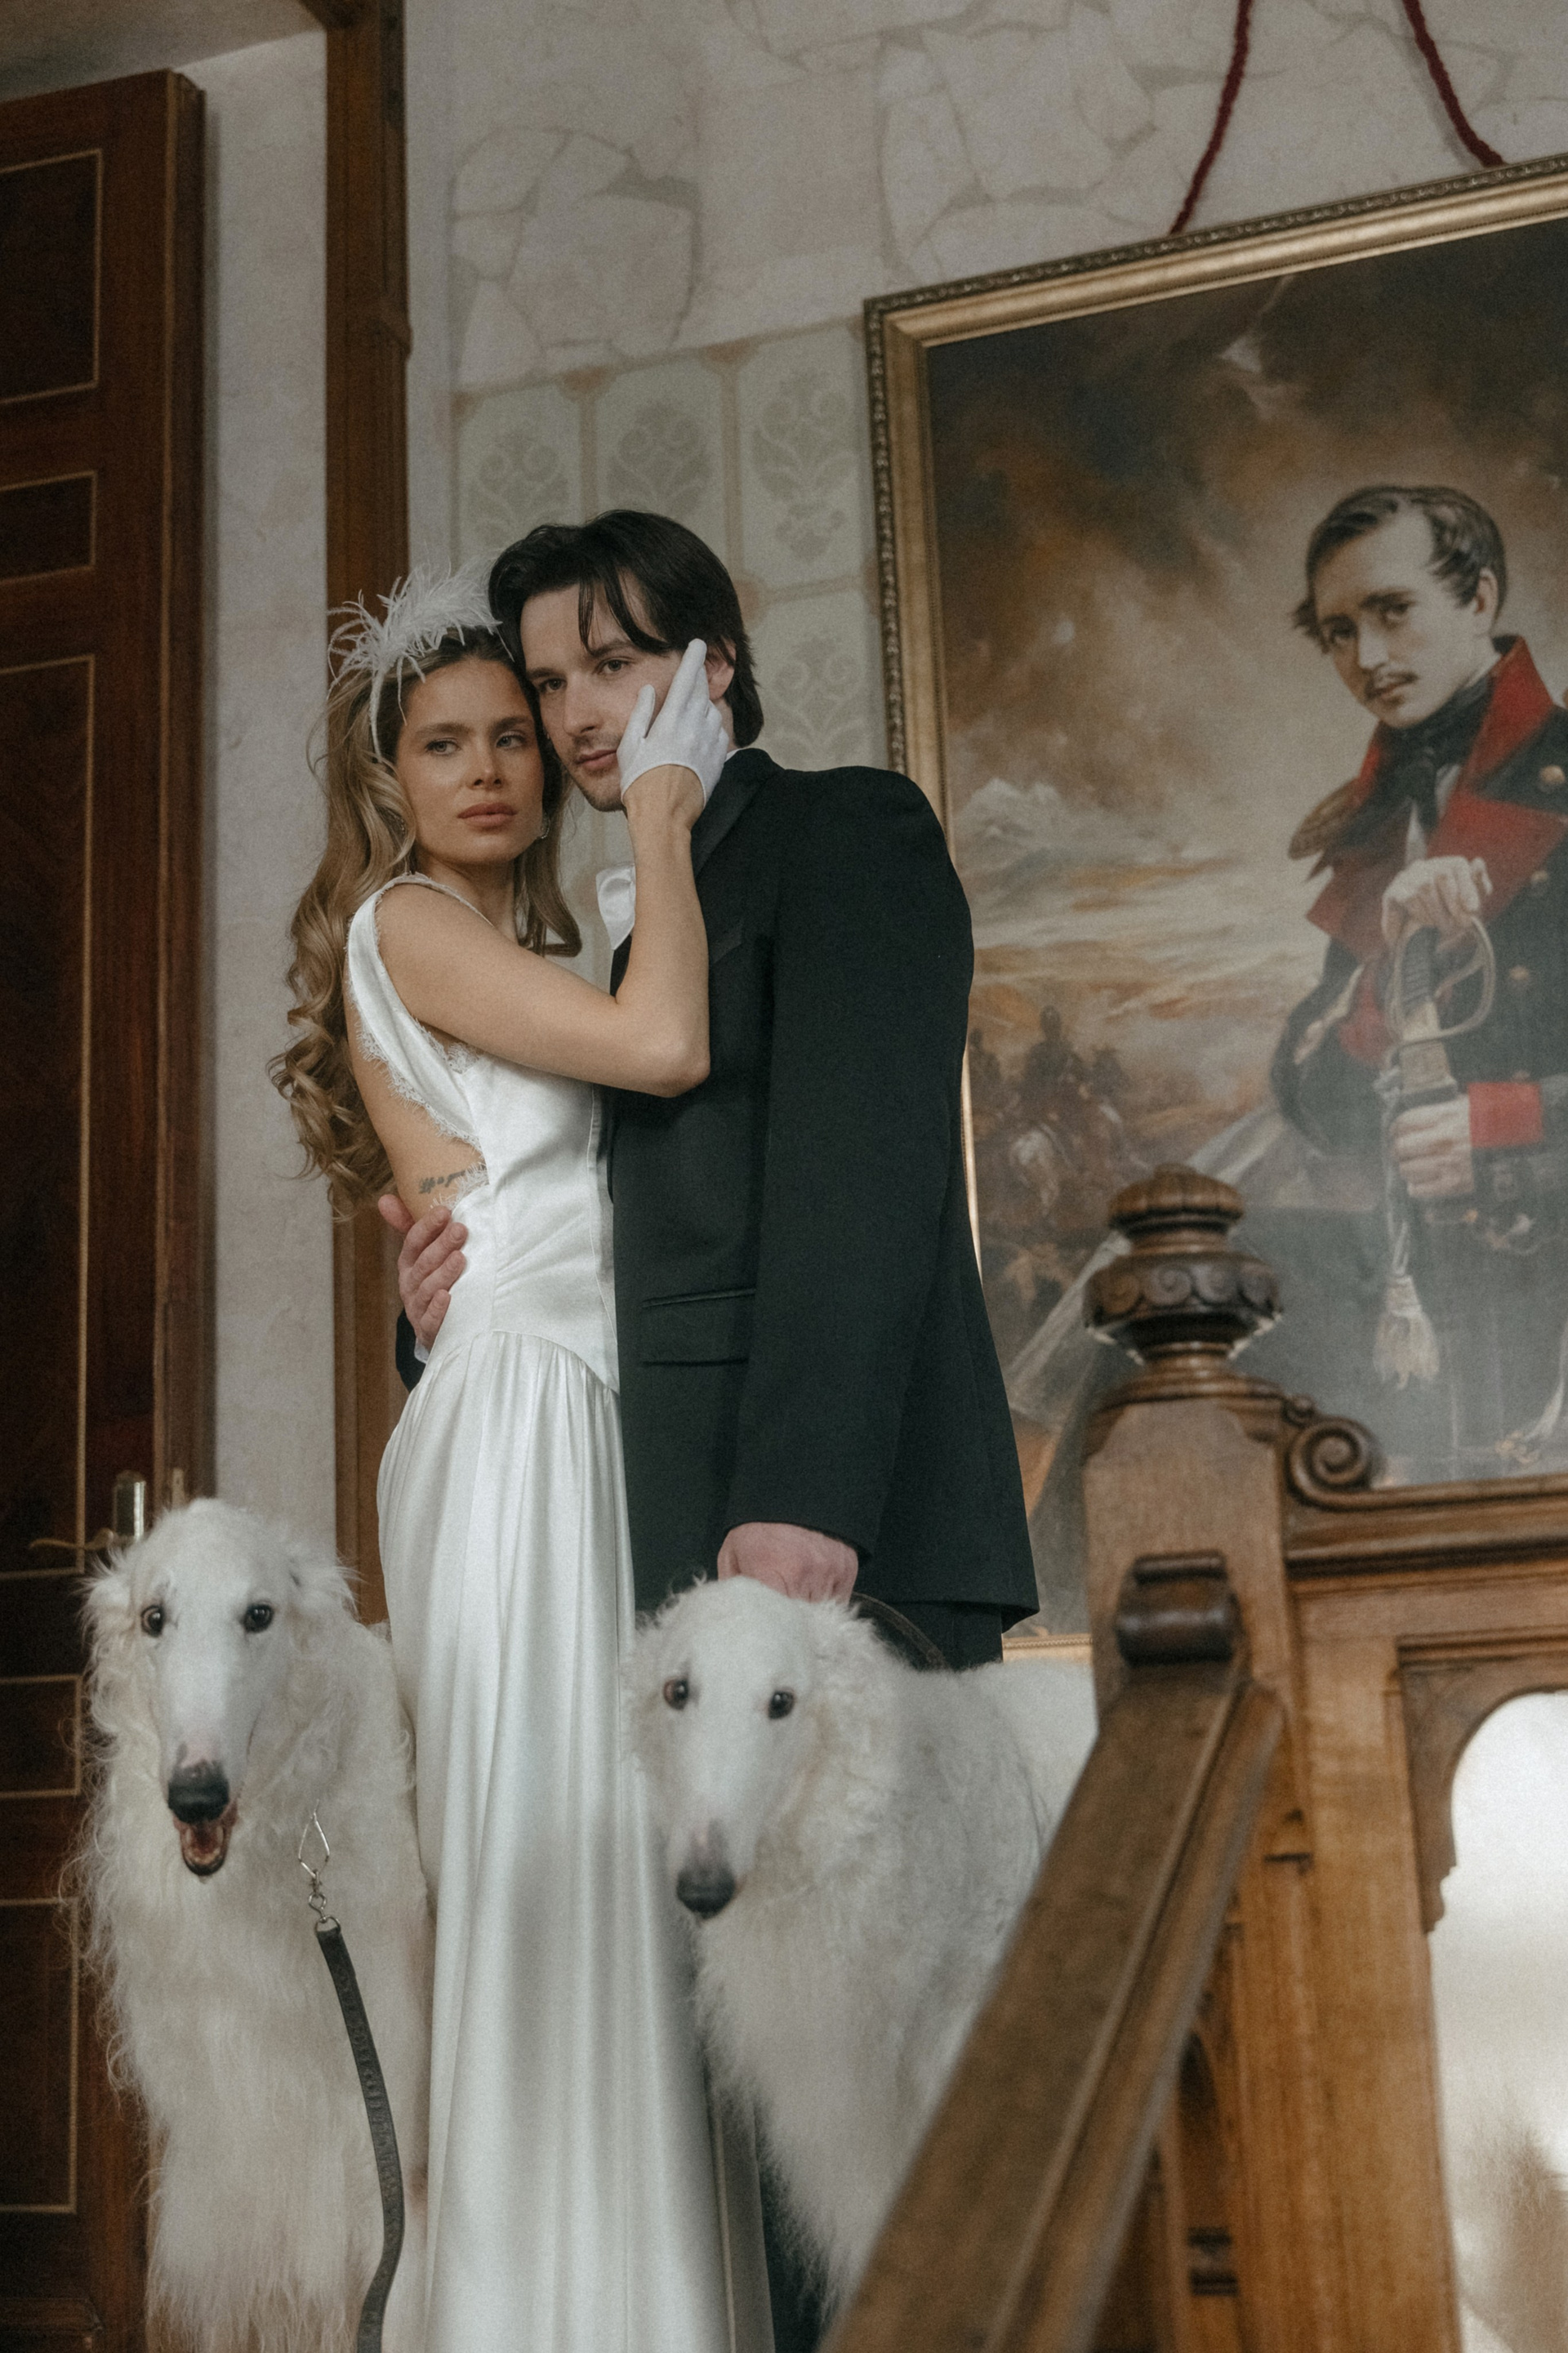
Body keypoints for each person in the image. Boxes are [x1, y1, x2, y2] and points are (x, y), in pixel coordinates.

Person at [390, 510, 1039, 2347]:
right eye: (550, 683)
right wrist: (436, 1319)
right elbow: (566, 1237)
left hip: (822, 1537)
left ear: (715, 663)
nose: (578, 715)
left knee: (876, 2089)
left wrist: (800, 1506)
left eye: (613, 663)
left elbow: (863, 1176)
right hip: (664, 1546)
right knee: (755, 2102)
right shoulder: (618, 921)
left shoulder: (845, 834)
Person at [272, 567, 767, 2351]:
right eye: (443, 745)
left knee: (626, 1863)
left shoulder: (520, 950)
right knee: (553, 1860)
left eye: (510, 737)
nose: (488, 769)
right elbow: (665, 1047)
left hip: (565, 1402)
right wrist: (664, 807)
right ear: (388, 779)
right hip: (524, 1428)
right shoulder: (406, 921)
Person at [1273, 484, 1568, 1464]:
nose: (1367, 658)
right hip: (1442, 1303)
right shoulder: (1380, 816)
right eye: (1339, 631)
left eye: (1392, 611)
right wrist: (1389, 977)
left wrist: (1501, 1122)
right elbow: (1318, 1104)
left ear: (1479, 598)